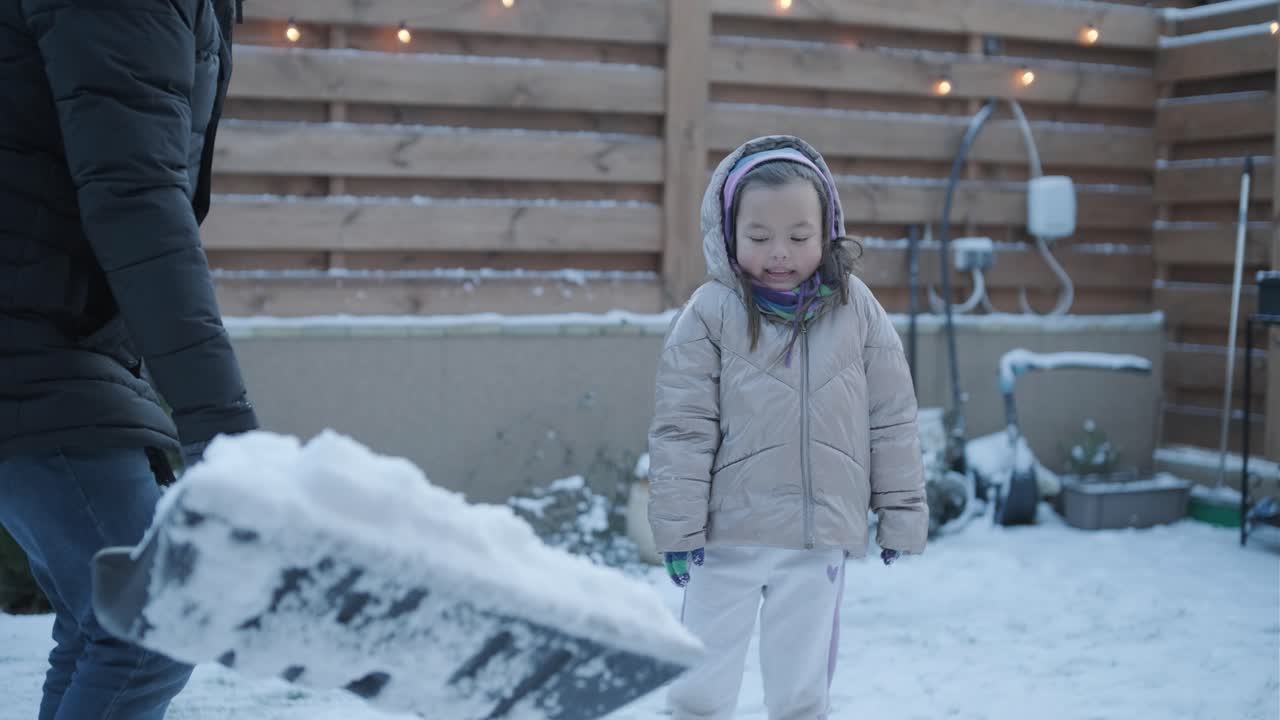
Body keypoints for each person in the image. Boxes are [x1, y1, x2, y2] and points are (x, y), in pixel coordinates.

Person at [0, 1, 257, 717]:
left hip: (54, 338)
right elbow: (138, 199)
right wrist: (219, 420)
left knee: (108, 622)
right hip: (33, 345)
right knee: (157, 622)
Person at [647, 135, 929, 720]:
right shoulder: (709, 314)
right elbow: (682, 428)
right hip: (724, 542)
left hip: (814, 540)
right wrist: (677, 529)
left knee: (802, 691)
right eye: (758, 237)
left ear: (825, 230)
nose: (780, 252)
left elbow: (892, 416)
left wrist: (901, 513)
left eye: (799, 237)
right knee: (702, 679)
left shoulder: (858, 311)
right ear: (729, 234)